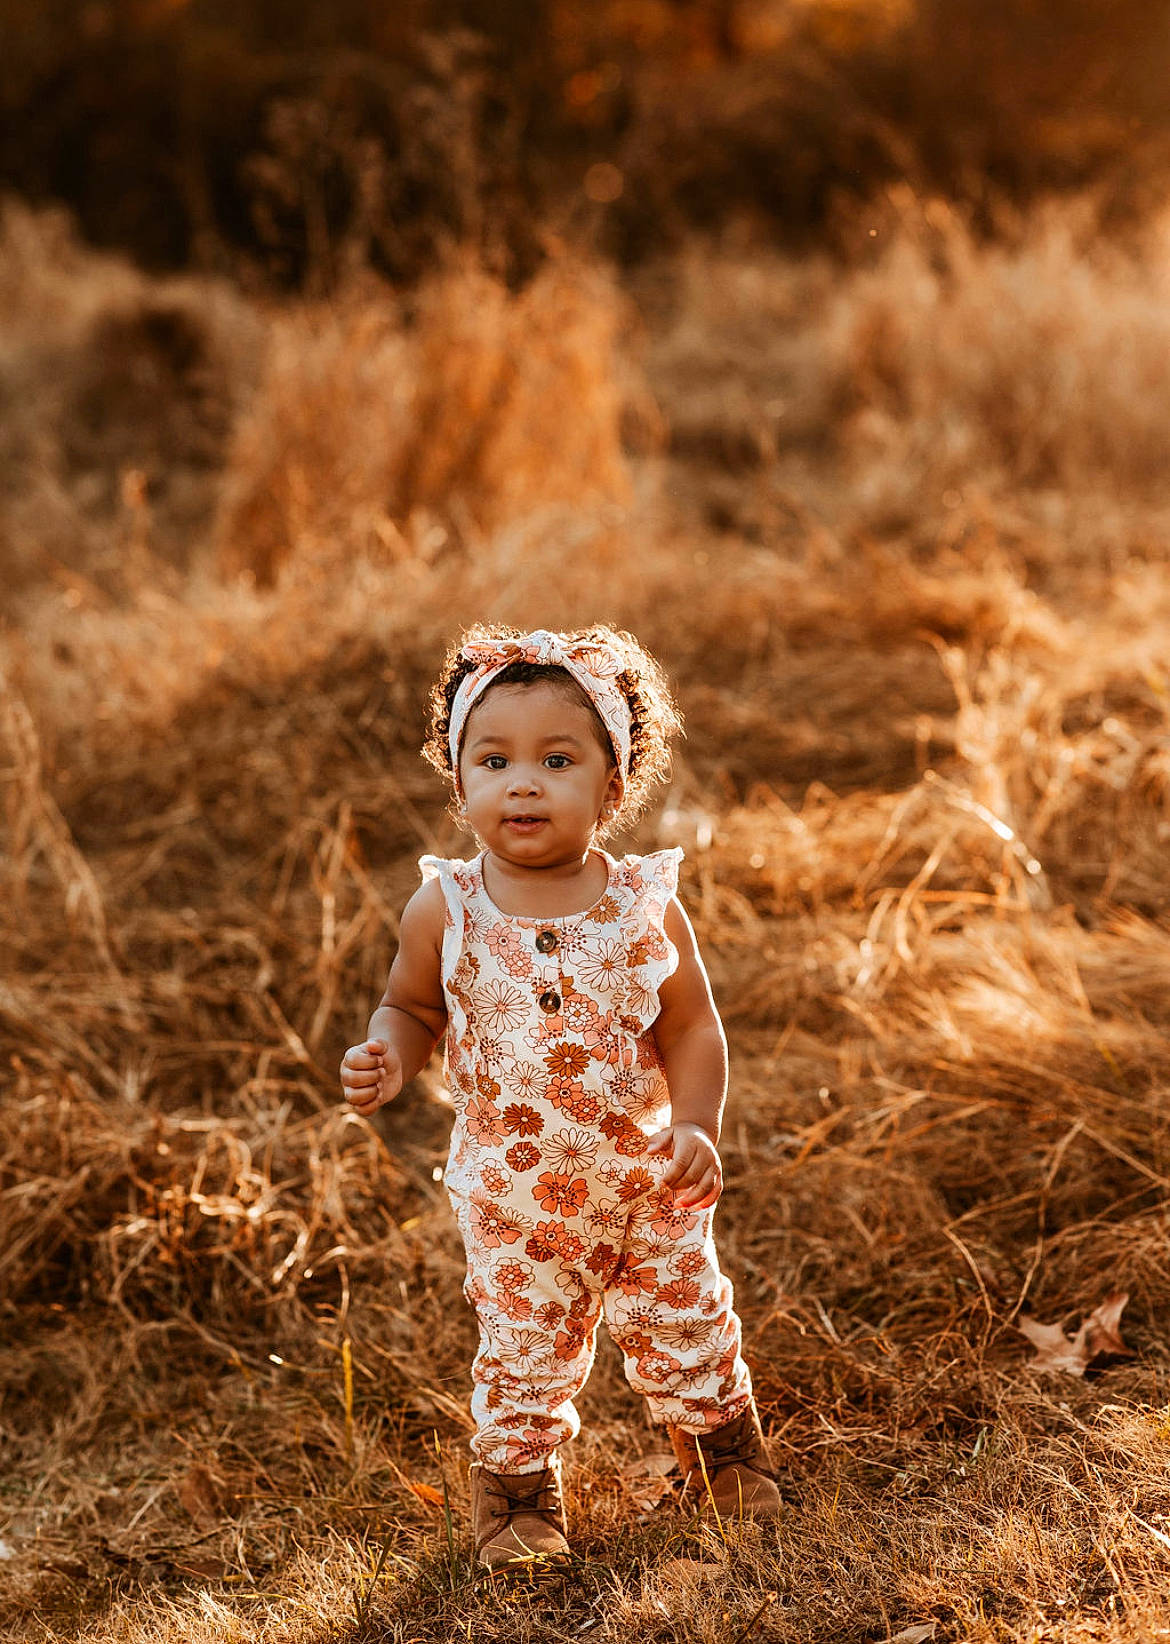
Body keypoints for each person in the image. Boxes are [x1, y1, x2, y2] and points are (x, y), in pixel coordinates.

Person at [339, 625, 780, 1570]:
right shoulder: (446, 908)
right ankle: (517, 1498)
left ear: (613, 785)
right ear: (460, 781)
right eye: (493, 761)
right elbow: (410, 1007)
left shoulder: (643, 905)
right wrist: (389, 1055)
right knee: (524, 1347)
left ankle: (723, 1456)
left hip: (648, 1182)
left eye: (557, 760)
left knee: (688, 1319)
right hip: (516, 1201)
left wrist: (696, 1122)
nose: (523, 785)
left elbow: (692, 1028)